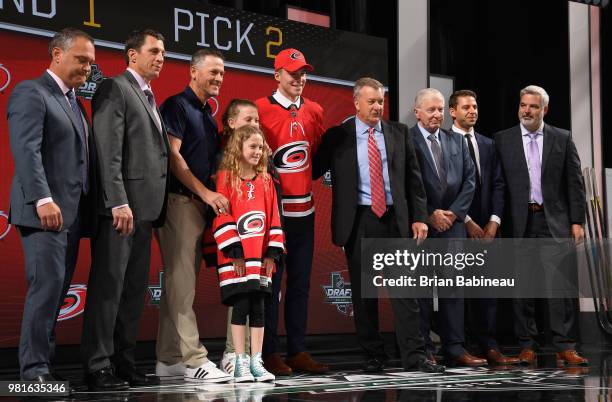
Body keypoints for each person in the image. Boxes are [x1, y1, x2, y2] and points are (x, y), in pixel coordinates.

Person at [313, 77, 444, 374]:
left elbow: (414, 180)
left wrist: (420, 218)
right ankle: (373, 355)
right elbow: (315, 168)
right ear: (356, 103)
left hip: (395, 220)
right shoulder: (339, 136)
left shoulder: (399, 132)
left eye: (381, 101)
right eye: (371, 101)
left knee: (405, 293)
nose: (377, 107)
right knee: (364, 295)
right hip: (359, 221)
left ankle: (415, 356)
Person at [81, 29, 169, 391]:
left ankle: (123, 361)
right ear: (132, 55)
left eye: (163, 52)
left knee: (133, 291)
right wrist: (117, 201)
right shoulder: (114, 88)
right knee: (109, 289)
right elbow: (107, 151)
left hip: (146, 210)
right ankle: (96, 365)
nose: (161, 57)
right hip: (121, 210)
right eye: (154, 51)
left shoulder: (148, 96)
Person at [7, 28, 96, 383]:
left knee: (56, 292)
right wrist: (43, 198)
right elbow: (26, 150)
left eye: (91, 62)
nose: (88, 68)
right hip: (44, 212)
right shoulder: (32, 91)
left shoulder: (75, 102)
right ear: (57, 55)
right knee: (45, 289)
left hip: (70, 216)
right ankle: (33, 373)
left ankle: (45, 366)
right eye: (81, 59)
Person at [494, 85, 588, 366]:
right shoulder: (503, 139)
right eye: (523, 105)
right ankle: (527, 345)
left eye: (533, 106)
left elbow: (575, 183)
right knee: (523, 287)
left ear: (544, 110)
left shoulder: (562, 138)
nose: (526, 110)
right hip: (519, 222)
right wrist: (495, 220)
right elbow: (499, 186)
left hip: (554, 221)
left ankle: (564, 346)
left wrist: (576, 221)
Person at [153, 49, 231, 383]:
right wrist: (205, 193)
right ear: (193, 72)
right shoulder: (176, 105)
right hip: (180, 203)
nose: (218, 78)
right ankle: (194, 358)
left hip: (199, 207)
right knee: (181, 285)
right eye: (212, 72)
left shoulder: (206, 114)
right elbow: (173, 157)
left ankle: (168, 358)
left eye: (222, 73)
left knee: (180, 286)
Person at [255, 48, 328, 375]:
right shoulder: (259, 109)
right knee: (271, 285)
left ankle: (297, 349)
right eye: (292, 73)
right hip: (274, 215)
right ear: (277, 75)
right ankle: (269, 352)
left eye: (302, 73)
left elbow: (315, 161)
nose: (299, 78)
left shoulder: (315, 110)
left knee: (300, 284)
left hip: (305, 213)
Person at [410, 88, 484, 367]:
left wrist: (453, 214)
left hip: (453, 226)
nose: (437, 115)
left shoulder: (457, 140)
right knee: (423, 291)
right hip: (424, 227)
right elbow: (407, 183)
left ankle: (455, 347)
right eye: (431, 110)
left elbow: (469, 182)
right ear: (417, 112)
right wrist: (429, 215)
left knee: (454, 289)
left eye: (440, 109)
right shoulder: (407, 140)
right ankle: (425, 348)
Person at [448, 90, 519, 365]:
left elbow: (499, 184)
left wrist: (494, 221)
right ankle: (461, 346)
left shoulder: (488, 144)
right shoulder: (443, 141)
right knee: (459, 289)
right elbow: (445, 187)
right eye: (466, 107)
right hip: (458, 226)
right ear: (452, 111)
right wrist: (466, 221)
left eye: (475, 106)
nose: (472, 111)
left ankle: (490, 345)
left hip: (488, 228)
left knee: (487, 289)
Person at [212, 125, 284, 382]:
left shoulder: (266, 180)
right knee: (241, 305)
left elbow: (274, 216)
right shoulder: (226, 178)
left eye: (260, 147)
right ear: (239, 148)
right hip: (238, 258)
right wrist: (236, 253)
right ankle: (240, 361)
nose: (257, 151)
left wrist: (271, 254)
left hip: (260, 256)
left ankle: (257, 360)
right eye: (251, 146)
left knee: (260, 307)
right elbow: (222, 216)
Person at [216, 99, 262, 376]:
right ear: (232, 123)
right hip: (226, 238)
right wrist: (232, 245)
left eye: (257, 121)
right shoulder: (222, 163)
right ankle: (233, 354)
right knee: (236, 294)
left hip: (254, 245)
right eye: (248, 120)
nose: (255, 125)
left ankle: (244, 356)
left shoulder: (262, 172)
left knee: (252, 297)